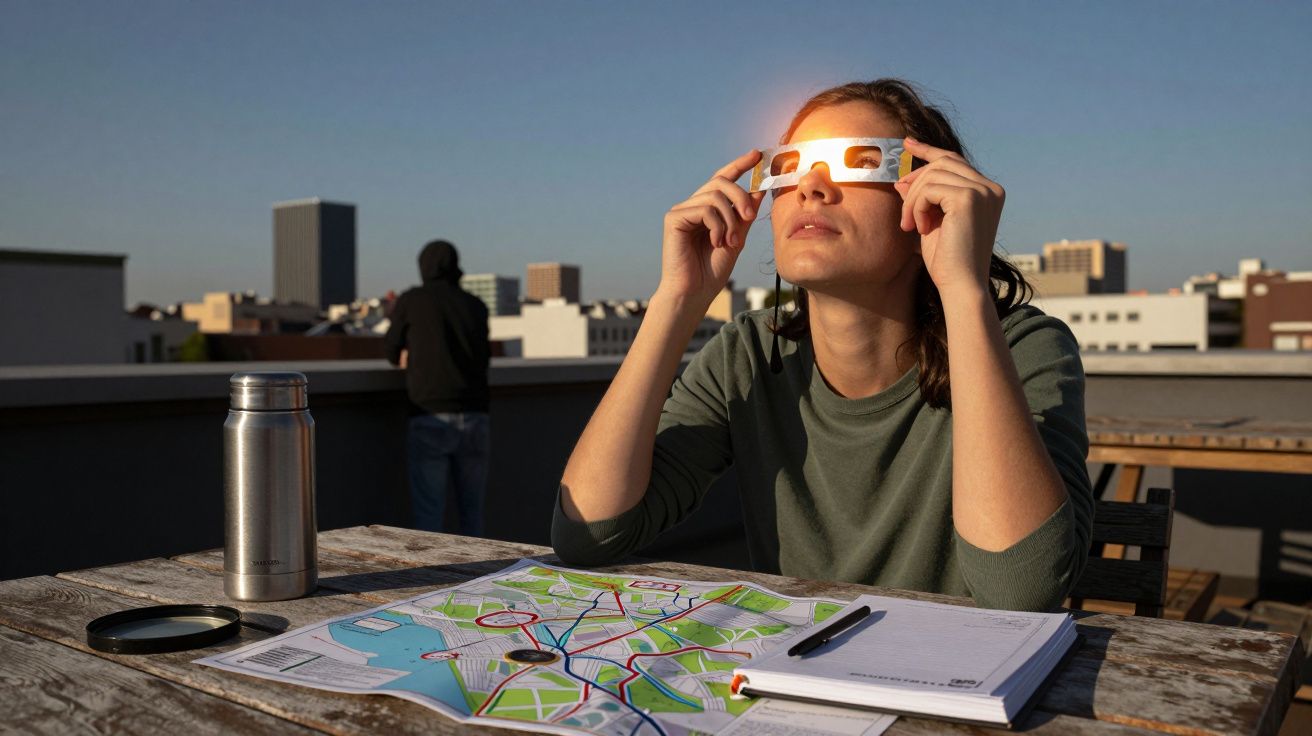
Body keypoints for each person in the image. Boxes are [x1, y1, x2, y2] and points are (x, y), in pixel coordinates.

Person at [551, 79, 1093, 612]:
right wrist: (676, 299)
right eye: (788, 168)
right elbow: (588, 533)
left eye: (859, 162)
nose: (811, 186)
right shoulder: (749, 354)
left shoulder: (1022, 347)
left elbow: (1020, 591)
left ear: (932, 200)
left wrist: (964, 288)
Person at [385, 239, 491, 536]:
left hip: (429, 414)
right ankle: (482, 568)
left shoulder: (412, 301)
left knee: (429, 515)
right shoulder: (475, 305)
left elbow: (391, 350)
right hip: (475, 414)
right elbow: (483, 358)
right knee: (472, 515)